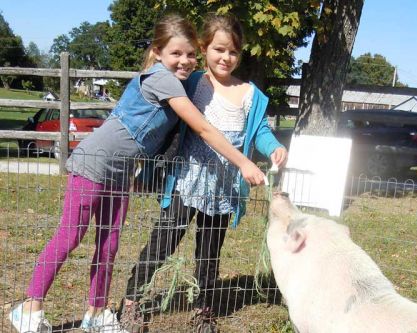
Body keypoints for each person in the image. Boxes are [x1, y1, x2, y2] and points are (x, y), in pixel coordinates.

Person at [8, 14, 266, 333]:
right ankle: (29, 308)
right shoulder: (162, 79)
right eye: (176, 53)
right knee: (70, 235)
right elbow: (201, 127)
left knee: (109, 244)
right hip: (93, 163)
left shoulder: (182, 82)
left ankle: (97, 313)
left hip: (121, 173)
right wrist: (243, 161)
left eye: (190, 55)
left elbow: (166, 137)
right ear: (158, 52)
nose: (184, 61)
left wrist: (148, 172)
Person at [119, 13, 287, 333]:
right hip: (186, 179)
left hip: (223, 189)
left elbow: (261, 131)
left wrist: (273, 146)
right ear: (204, 48)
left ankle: (203, 310)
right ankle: (131, 302)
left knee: (210, 252)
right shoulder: (192, 83)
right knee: (163, 242)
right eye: (219, 49)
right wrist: (148, 164)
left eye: (234, 51)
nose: (226, 57)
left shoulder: (250, 94)